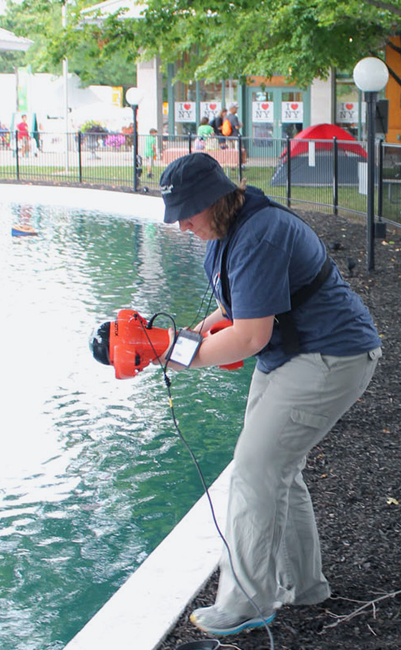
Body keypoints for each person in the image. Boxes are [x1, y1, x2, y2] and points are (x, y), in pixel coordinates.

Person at [157, 153, 381, 636]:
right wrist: (193, 336)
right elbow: (232, 309)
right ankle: (304, 586)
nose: (181, 226)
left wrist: (180, 358)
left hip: (332, 354)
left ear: (213, 200)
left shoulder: (260, 234)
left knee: (255, 470)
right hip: (293, 354)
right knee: (273, 469)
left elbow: (249, 337)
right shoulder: (226, 232)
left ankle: (246, 602)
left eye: (187, 214)